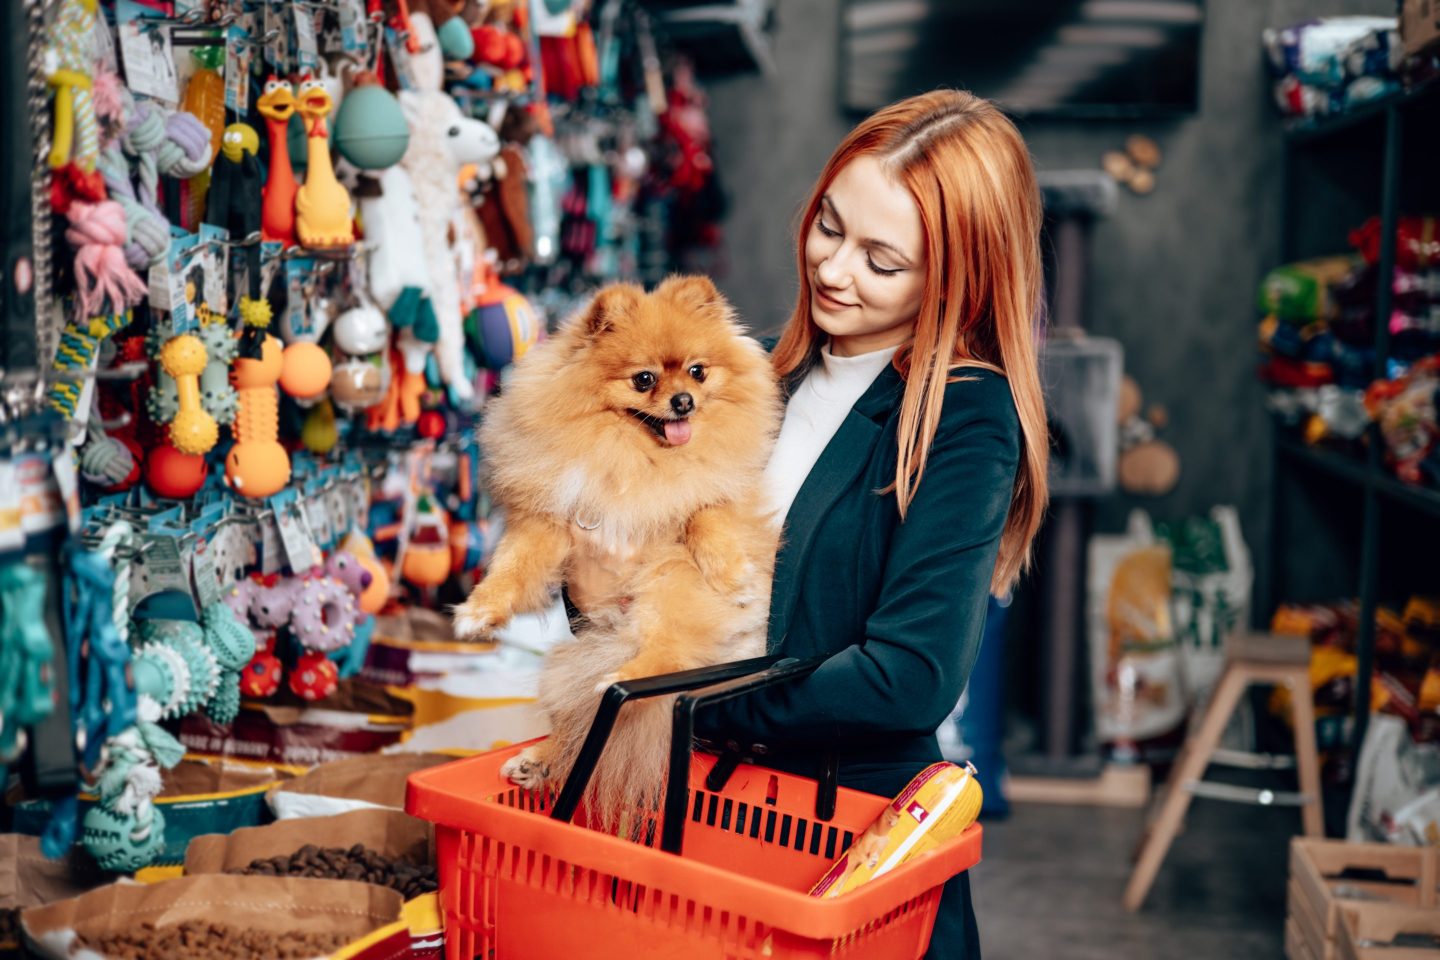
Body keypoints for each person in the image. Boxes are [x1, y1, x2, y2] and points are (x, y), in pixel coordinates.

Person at [574, 89, 1048, 958]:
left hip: (839, 852)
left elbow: (907, 677)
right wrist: (594, 592)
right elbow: (663, 593)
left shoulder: (963, 415)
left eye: (882, 259)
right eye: (830, 225)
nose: (834, 270)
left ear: (957, 273)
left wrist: (676, 705)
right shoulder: (763, 380)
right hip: (708, 835)